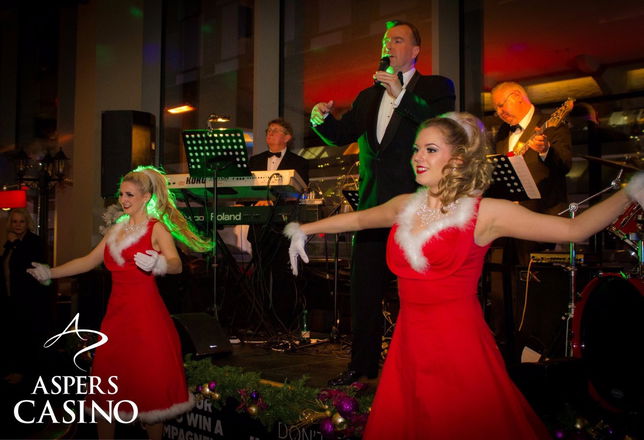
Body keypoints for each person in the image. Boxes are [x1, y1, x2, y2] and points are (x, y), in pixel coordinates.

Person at [284, 112, 642, 439]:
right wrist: (304, 229)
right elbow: (360, 218)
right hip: (409, 342)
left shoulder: (485, 213)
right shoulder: (405, 205)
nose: (418, 156)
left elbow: (575, 230)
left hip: (457, 344)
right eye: (416, 149)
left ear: (456, 159)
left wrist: (631, 193)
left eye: (430, 149)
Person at [309, 20, 455, 386]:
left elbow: (442, 128)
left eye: (398, 39)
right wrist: (321, 121)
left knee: (418, 292)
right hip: (373, 208)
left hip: (417, 208)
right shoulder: (368, 96)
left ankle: (423, 367)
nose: (390, 44)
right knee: (365, 292)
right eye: (387, 40)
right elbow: (342, 134)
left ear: (415, 51)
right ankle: (362, 367)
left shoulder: (436, 88)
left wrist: (401, 95)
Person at [27, 166, 211, 440]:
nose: (123, 200)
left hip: (146, 319)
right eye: (122, 194)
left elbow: (176, 265)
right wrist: (50, 272)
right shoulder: (117, 229)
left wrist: (159, 262)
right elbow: (88, 261)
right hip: (116, 319)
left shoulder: (156, 228)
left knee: (151, 397)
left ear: (146, 197)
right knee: (107, 392)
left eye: (130, 195)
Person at [490, 82, 573, 360]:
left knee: (536, 289)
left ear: (517, 97)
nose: (499, 112)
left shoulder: (552, 124)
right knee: (502, 286)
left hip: (540, 219)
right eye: (496, 108)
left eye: (501, 105)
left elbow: (564, 164)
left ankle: (537, 351)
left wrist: (546, 150)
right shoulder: (503, 133)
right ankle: (504, 346)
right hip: (507, 222)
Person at [0, 208, 52, 385]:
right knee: (13, 334)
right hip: (11, 295)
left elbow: (30, 265)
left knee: (26, 336)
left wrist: (15, 244)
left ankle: (24, 372)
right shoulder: (10, 242)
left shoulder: (34, 242)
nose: (18, 225)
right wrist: (12, 244)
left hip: (29, 297)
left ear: (27, 223)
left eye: (21, 221)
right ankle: (15, 369)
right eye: (14, 221)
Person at [249, 118, 309, 185]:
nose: (270, 133)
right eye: (269, 131)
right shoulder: (254, 161)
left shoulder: (299, 163)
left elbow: (302, 189)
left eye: (275, 131)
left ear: (286, 138)